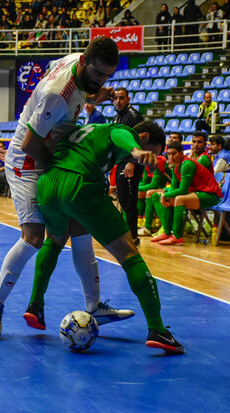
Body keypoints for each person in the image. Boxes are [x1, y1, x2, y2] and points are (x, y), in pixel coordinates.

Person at [0, 37, 132, 337]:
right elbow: (30, 143)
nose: (103, 81)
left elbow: (71, 97)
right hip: (28, 161)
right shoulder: (55, 95)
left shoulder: (77, 62)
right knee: (35, 236)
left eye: (108, 76)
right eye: (98, 75)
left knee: (79, 223)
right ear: (85, 63)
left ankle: (94, 305)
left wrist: (92, 97)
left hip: (50, 150)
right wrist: (62, 170)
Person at [30, 120, 184, 353]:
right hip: (79, 184)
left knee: (54, 241)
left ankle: (35, 305)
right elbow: (121, 135)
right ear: (143, 137)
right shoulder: (119, 130)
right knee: (129, 252)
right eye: (153, 153)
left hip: (48, 183)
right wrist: (136, 150)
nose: (149, 161)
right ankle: (157, 329)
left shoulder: (90, 130)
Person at [150, 141, 223, 245]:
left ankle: (177, 237)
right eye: (169, 154)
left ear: (181, 153)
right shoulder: (176, 166)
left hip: (211, 195)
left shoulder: (187, 164)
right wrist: (165, 192)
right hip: (197, 193)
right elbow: (174, 187)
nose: (171, 157)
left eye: (174, 154)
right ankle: (167, 233)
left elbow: (183, 190)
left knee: (179, 199)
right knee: (163, 197)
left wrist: (165, 194)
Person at [112, 87, 144, 246]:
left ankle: (133, 239)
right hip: (121, 162)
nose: (118, 101)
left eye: (121, 98)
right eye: (116, 98)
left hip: (131, 163)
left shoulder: (133, 116)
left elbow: (141, 140)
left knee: (129, 202)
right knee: (124, 200)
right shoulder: (117, 117)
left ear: (128, 99)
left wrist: (133, 161)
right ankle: (128, 235)